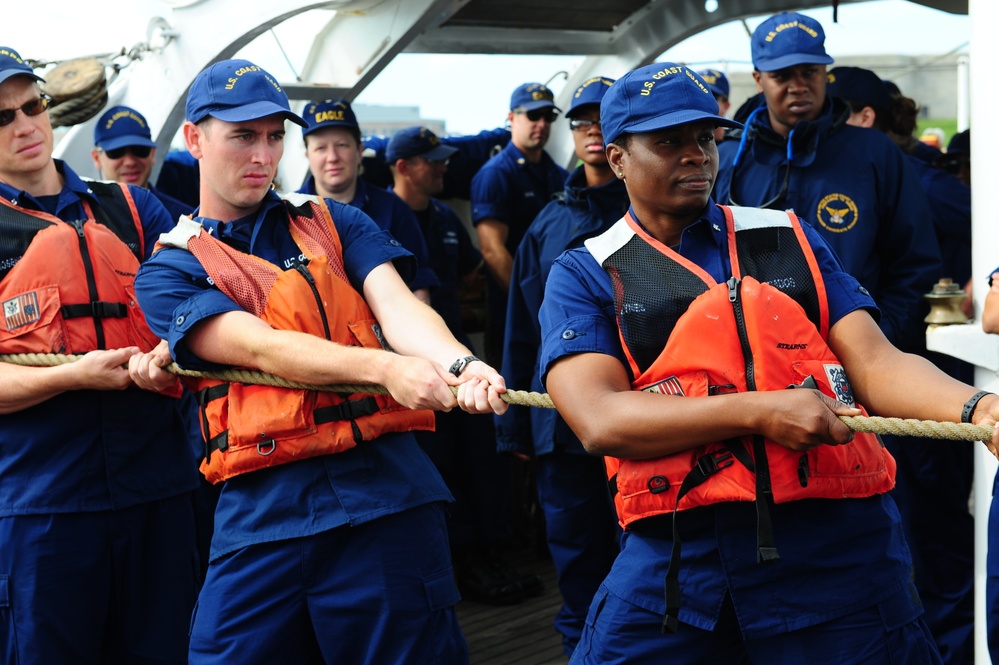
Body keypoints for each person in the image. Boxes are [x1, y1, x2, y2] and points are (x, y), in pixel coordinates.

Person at [539, 61, 999, 665]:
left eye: (705, 137)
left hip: (837, 550)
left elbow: (877, 363)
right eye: (669, 141)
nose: (696, 155)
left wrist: (979, 408)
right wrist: (760, 412)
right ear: (618, 157)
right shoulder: (586, 272)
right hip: (682, 558)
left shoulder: (789, 237)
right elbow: (599, 418)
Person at [129, 58, 509, 665]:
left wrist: (461, 365)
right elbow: (257, 347)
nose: (263, 154)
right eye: (243, 135)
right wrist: (384, 370)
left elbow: (399, 307)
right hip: (263, 513)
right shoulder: (169, 270)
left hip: (387, 498)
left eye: (274, 136)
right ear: (195, 139)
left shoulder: (335, 221)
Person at [0, 46, 200, 664]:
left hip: (158, 491)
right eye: (1, 118)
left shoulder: (136, 208)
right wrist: (71, 378)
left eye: (31, 106)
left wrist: (174, 342)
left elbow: (201, 300)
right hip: (42, 505)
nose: (25, 125)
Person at [827, 64, 975, 665]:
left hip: (909, 381)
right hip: (863, 388)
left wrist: (873, 348)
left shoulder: (920, 183)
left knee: (926, 531)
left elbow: (937, 277)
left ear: (863, 118)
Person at [714, 11, 941, 357]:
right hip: (755, 362)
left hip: (861, 356)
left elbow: (915, 261)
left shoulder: (874, 153)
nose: (798, 85)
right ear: (759, 79)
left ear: (825, 73)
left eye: (810, 72)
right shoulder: (728, 158)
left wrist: (882, 337)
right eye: (782, 75)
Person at [386, 125, 542, 605]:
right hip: (412, 375)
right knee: (442, 467)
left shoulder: (443, 219)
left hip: (458, 363)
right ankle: (461, 563)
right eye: (431, 161)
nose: (442, 167)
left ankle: (488, 554)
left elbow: (470, 275)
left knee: (480, 460)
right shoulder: (381, 221)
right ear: (403, 167)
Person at [498, 75, 625, 655]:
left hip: (645, 417)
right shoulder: (547, 223)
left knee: (647, 556)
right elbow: (520, 330)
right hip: (559, 426)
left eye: (603, 117)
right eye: (581, 121)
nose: (592, 129)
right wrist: (514, 426)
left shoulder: (655, 212)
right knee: (577, 562)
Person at [298, 98, 437, 302]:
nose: (332, 157)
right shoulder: (286, 213)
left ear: (360, 151)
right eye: (320, 148)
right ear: (307, 155)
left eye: (342, 145)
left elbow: (419, 288)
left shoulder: (394, 209)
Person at [471, 81, 569, 363]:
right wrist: (529, 304)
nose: (541, 123)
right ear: (511, 118)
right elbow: (492, 250)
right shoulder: (496, 174)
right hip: (515, 305)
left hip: (557, 300)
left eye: (548, 116)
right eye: (532, 115)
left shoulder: (557, 174)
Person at [91, 104, 193, 221]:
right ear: (96, 158)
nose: (130, 162)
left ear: (153, 154)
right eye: (116, 152)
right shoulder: (83, 216)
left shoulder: (185, 220)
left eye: (140, 150)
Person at [698, 69, 731, 142]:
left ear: (726, 105)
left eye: (712, 97)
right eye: (698, 96)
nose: (703, 102)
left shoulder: (739, 148)